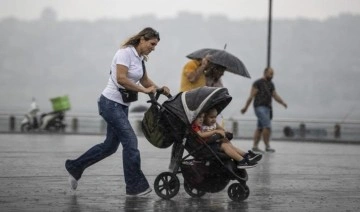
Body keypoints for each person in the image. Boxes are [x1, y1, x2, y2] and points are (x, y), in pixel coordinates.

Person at [65, 27, 170, 197]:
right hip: (109, 103)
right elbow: (121, 78)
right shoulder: (125, 53)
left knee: (109, 147)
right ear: (142, 39)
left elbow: (144, 80)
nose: (154, 48)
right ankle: (135, 187)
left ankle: (75, 166)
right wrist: (143, 91)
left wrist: (160, 89)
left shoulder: (140, 58)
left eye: (156, 45)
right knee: (130, 141)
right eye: (152, 44)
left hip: (121, 106)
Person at [191, 109, 262, 169]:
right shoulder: (195, 126)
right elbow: (201, 135)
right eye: (199, 117)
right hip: (205, 146)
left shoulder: (212, 124)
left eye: (202, 117)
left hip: (211, 143)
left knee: (227, 142)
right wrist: (215, 131)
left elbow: (221, 129)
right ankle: (241, 161)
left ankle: (246, 155)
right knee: (225, 146)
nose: (201, 119)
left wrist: (226, 132)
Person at [241, 67, 287, 153]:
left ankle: (255, 146)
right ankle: (267, 146)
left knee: (260, 128)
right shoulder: (258, 83)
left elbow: (275, 95)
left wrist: (283, 103)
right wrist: (245, 107)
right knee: (267, 126)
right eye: (270, 73)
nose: (272, 76)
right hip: (259, 107)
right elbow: (251, 96)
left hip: (268, 108)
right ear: (265, 73)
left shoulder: (271, 84)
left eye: (273, 74)